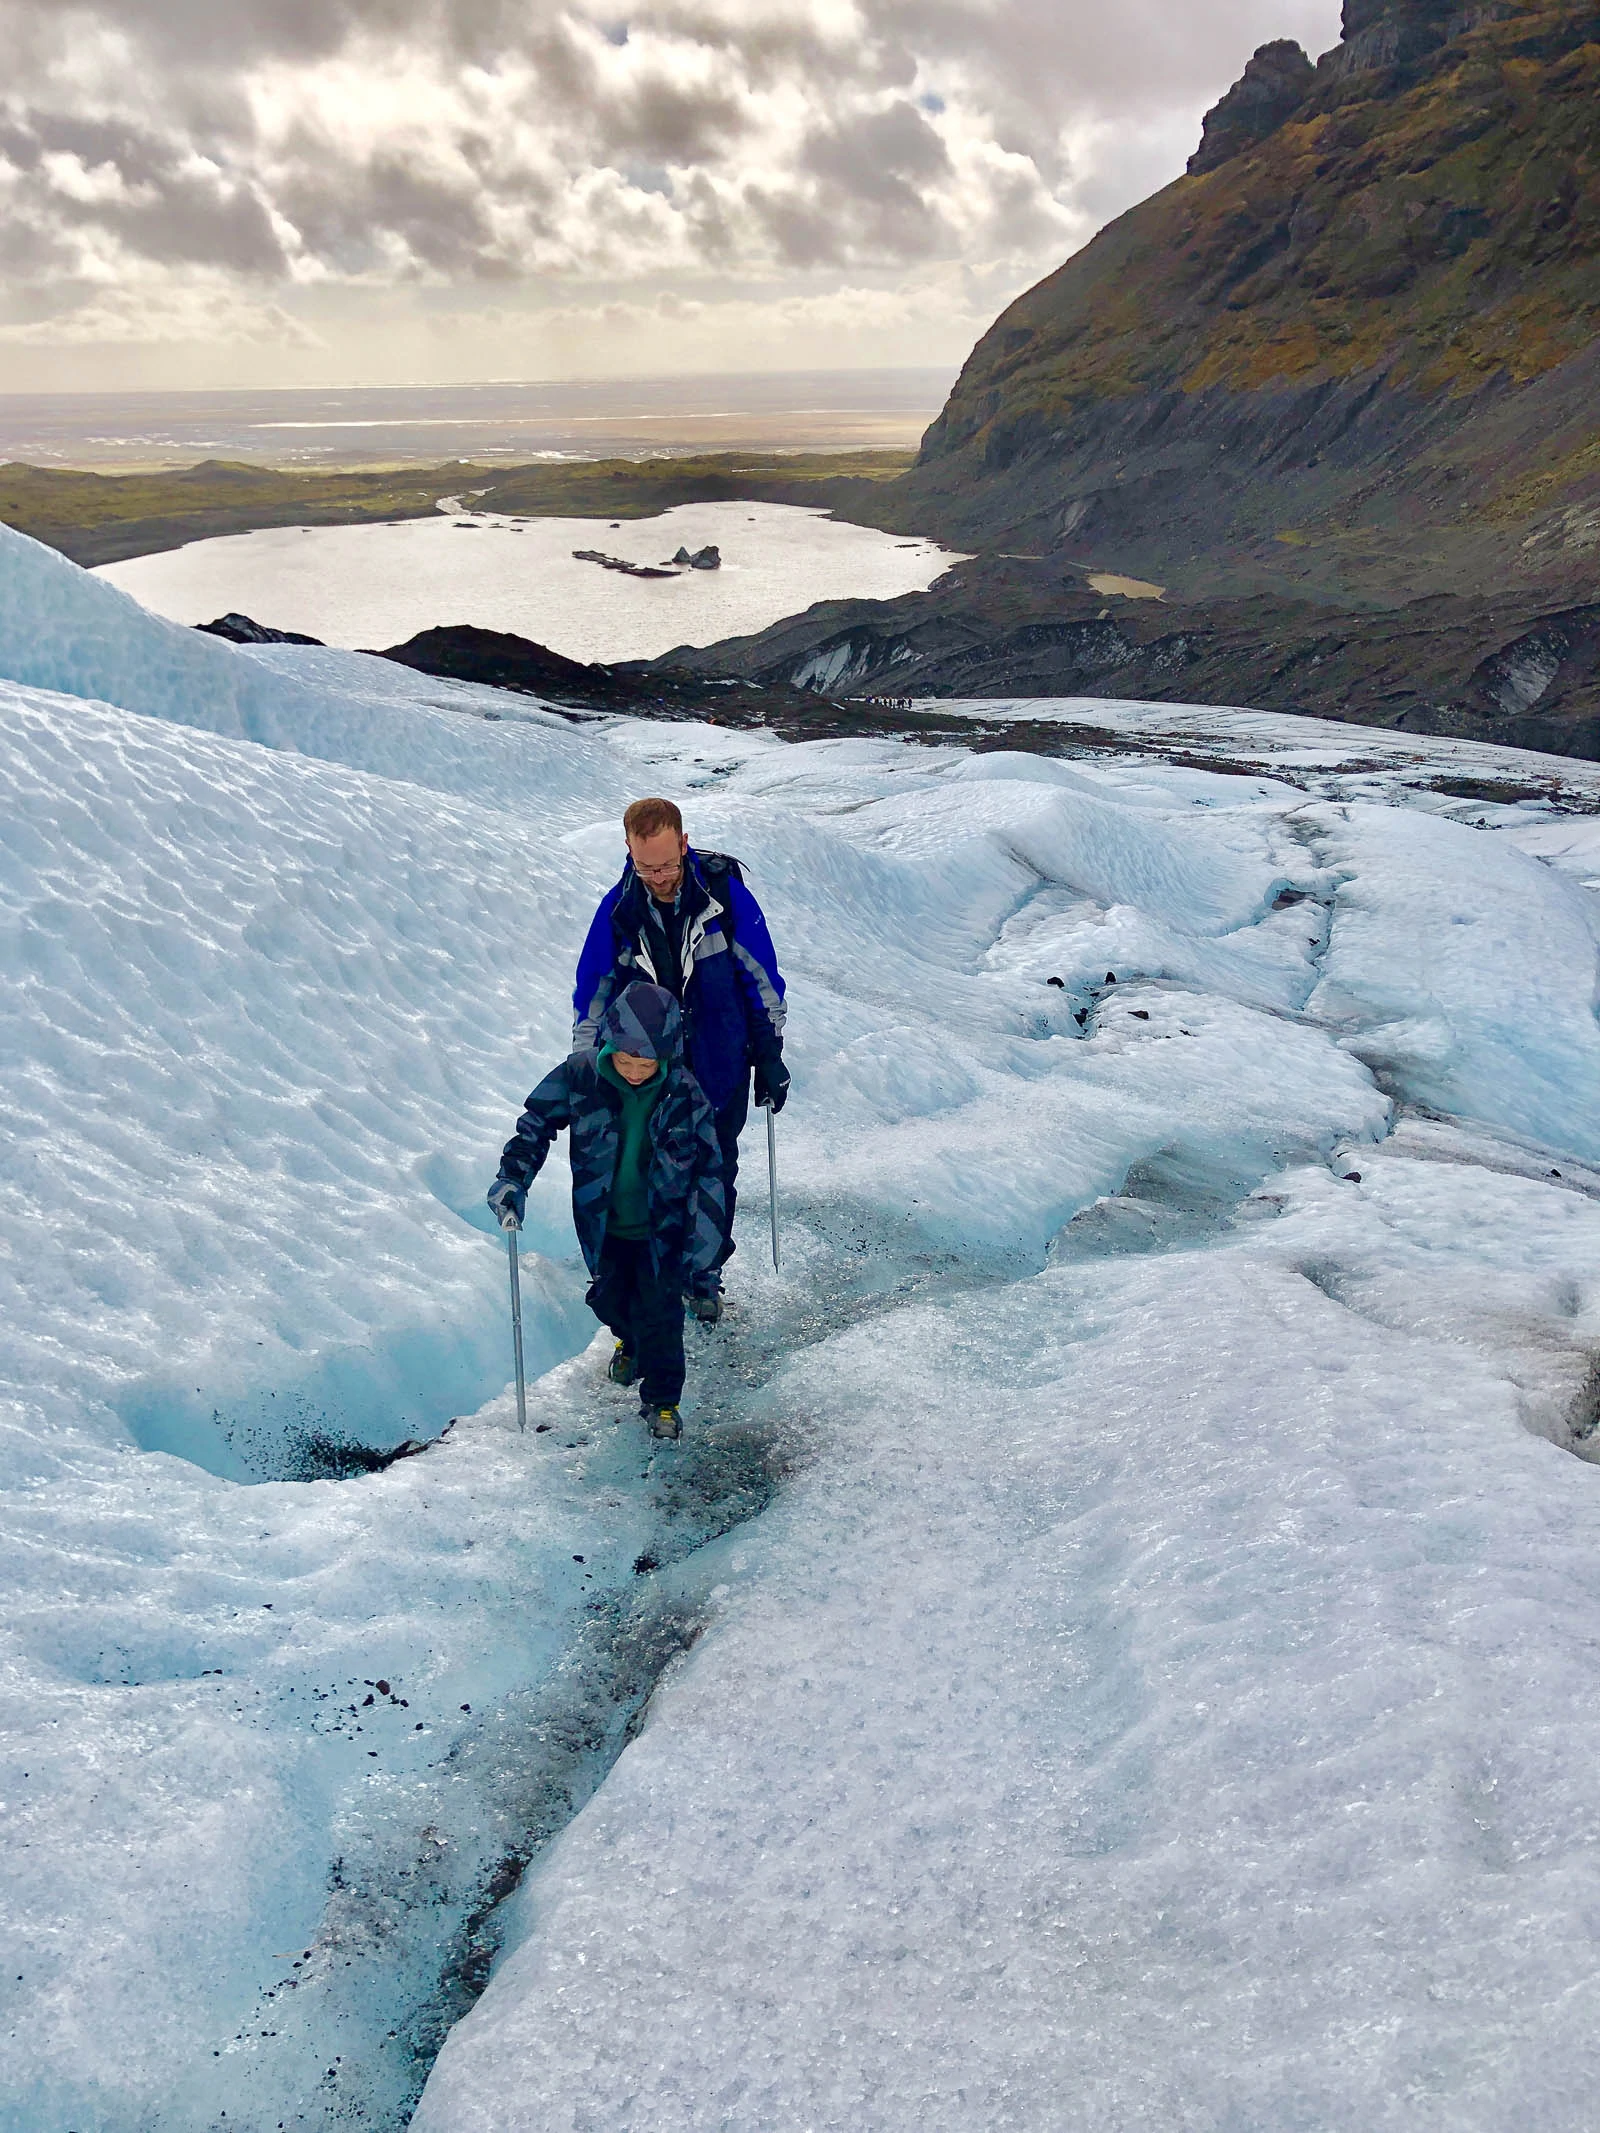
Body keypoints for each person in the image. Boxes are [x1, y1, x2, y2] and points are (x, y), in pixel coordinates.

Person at [572, 797, 787, 1318]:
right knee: (649, 1174)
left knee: (713, 1171)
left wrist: (770, 1051)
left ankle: (704, 1276)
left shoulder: (724, 899)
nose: (659, 876)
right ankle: (655, 1281)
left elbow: (761, 980)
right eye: (646, 866)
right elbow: (593, 995)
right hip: (649, 1072)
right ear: (628, 851)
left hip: (719, 1062)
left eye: (667, 864)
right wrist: (584, 1064)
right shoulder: (619, 910)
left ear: (684, 844)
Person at [487, 981, 724, 1440]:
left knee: (661, 1314)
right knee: (611, 1299)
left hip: (664, 1224)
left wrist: (704, 1243)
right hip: (604, 1221)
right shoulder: (580, 1076)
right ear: (608, 1045)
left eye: (646, 1062)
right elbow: (537, 1125)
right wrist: (514, 1176)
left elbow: (710, 1168)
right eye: (625, 1060)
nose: (635, 1072)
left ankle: (663, 1401)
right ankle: (630, 1342)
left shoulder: (683, 1093)